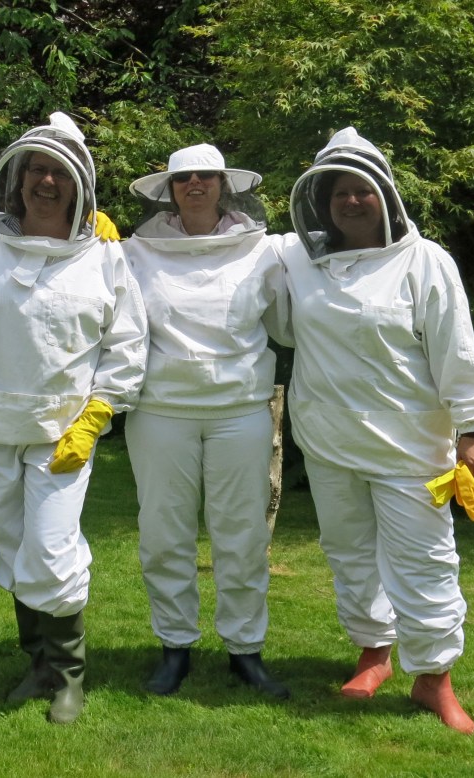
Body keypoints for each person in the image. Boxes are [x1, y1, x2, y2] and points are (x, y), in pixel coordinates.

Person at [282, 127, 474, 734]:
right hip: (328, 441)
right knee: (350, 554)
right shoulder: (299, 259)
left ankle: (435, 680)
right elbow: (221, 251)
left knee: (425, 560)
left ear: (387, 194)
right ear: (320, 203)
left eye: (364, 191)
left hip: (411, 445)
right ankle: (373, 654)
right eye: (339, 194)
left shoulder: (425, 260)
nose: (351, 202)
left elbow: (455, 350)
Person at [0, 113, 148, 724]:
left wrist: (96, 415)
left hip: (64, 432)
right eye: (38, 170)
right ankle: (39, 664)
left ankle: (70, 675)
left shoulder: (105, 255)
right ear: (18, 181)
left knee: (51, 547)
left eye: (60, 173)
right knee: (13, 545)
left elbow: (127, 342)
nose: (48, 181)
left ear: (79, 184)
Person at [123, 144, 291, 699]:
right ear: (169, 189)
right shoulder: (134, 252)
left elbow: (289, 325)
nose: (196, 184)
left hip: (239, 411)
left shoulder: (263, 251)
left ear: (224, 185)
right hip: (160, 412)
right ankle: (174, 649)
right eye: (184, 177)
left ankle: (246, 651)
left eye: (207, 176)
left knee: (241, 536)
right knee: (164, 534)